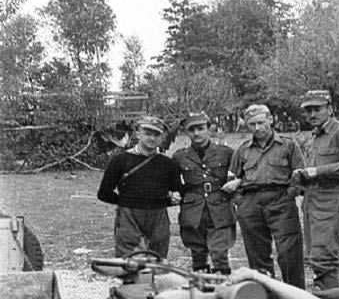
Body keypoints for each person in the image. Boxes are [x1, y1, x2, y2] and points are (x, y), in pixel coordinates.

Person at [223, 104, 305, 289]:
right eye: (252, 124)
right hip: (250, 202)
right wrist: (240, 202)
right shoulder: (242, 150)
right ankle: (267, 294)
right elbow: (231, 178)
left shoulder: (288, 145)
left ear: (271, 120)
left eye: (261, 122)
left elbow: (299, 175)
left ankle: (295, 294)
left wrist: (290, 194)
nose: (257, 128)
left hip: (280, 200)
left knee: (288, 250)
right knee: (257, 251)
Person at [293, 90, 339, 290]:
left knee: (325, 256)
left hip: (332, 198)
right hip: (312, 200)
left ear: (330, 109)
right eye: (308, 111)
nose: (312, 115)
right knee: (315, 255)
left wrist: (317, 171)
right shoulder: (314, 135)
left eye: (317, 109)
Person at [97, 115, 182, 258]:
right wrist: (127, 202)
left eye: (156, 135)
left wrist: (173, 197)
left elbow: (177, 190)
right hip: (129, 216)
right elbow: (104, 193)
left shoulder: (168, 164)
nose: (152, 138)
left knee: (157, 260)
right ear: (138, 134)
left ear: (162, 138)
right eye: (148, 133)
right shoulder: (120, 161)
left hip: (158, 217)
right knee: (130, 262)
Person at [173, 112, 235, 274]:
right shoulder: (180, 156)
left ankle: (224, 289)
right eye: (192, 130)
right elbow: (174, 184)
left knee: (220, 253)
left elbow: (239, 178)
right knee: (197, 254)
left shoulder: (226, 153)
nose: (196, 133)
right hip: (193, 209)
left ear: (209, 129)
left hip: (219, 207)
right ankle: (201, 292)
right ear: (187, 133)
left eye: (200, 128)